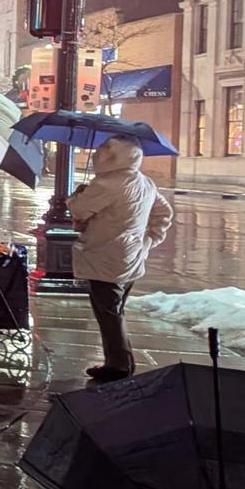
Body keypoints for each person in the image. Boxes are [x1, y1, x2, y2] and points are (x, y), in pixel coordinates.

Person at [68, 136, 173, 381]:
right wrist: (148, 241)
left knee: (109, 314)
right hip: (130, 257)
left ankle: (119, 366)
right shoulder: (144, 182)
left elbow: (79, 209)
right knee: (114, 310)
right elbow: (164, 212)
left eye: (104, 150)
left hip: (105, 258)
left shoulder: (107, 183)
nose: (98, 153)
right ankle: (116, 361)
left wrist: (77, 196)